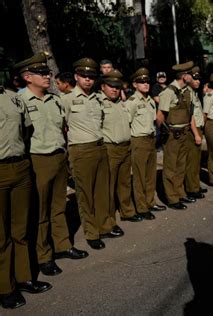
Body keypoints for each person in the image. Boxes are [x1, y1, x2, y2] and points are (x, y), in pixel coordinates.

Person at [15, 53, 88, 277]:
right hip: (38, 160)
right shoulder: (21, 102)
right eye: (42, 73)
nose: (48, 76)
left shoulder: (55, 100)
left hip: (58, 157)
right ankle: (44, 256)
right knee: (41, 211)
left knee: (59, 207)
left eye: (47, 72)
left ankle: (63, 245)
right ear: (28, 77)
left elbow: (62, 129)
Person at [0, 85, 52, 309]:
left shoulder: (13, 97)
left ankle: (24, 277)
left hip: (20, 167)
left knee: (20, 230)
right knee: (0, 236)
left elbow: (27, 130)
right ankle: (5, 287)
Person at [62, 57, 120, 250]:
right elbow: (62, 126)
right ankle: (91, 232)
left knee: (102, 191)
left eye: (91, 76)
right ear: (76, 77)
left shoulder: (97, 98)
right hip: (80, 150)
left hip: (99, 147)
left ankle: (105, 225)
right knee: (85, 194)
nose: (88, 80)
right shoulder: (67, 99)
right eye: (84, 76)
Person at [99, 69, 144, 224]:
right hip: (110, 148)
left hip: (126, 147)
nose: (114, 89)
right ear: (103, 86)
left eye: (117, 86)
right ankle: (109, 219)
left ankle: (127, 212)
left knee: (124, 183)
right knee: (108, 186)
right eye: (111, 86)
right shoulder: (98, 102)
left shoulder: (122, 103)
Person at [157, 61, 200, 210]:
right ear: (184, 76)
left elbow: (190, 114)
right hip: (172, 135)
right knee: (171, 167)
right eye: (189, 74)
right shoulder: (168, 92)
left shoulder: (187, 91)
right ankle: (172, 198)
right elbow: (161, 115)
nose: (192, 77)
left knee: (181, 166)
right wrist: (160, 133)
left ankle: (180, 193)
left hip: (184, 133)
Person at [126, 67, 166, 219]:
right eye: (141, 82)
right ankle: (142, 207)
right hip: (138, 141)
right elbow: (127, 123)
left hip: (150, 139)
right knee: (140, 176)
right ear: (134, 84)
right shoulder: (131, 102)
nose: (145, 84)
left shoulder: (150, 100)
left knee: (150, 175)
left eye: (147, 81)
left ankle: (150, 202)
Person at [185, 66, 207, 199]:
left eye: (199, 79)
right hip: (193, 130)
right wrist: (196, 134)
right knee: (192, 161)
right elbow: (190, 116)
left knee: (196, 160)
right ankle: (191, 189)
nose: (198, 81)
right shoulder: (188, 93)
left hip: (198, 128)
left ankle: (195, 185)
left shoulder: (194, 93)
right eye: (195, 78)